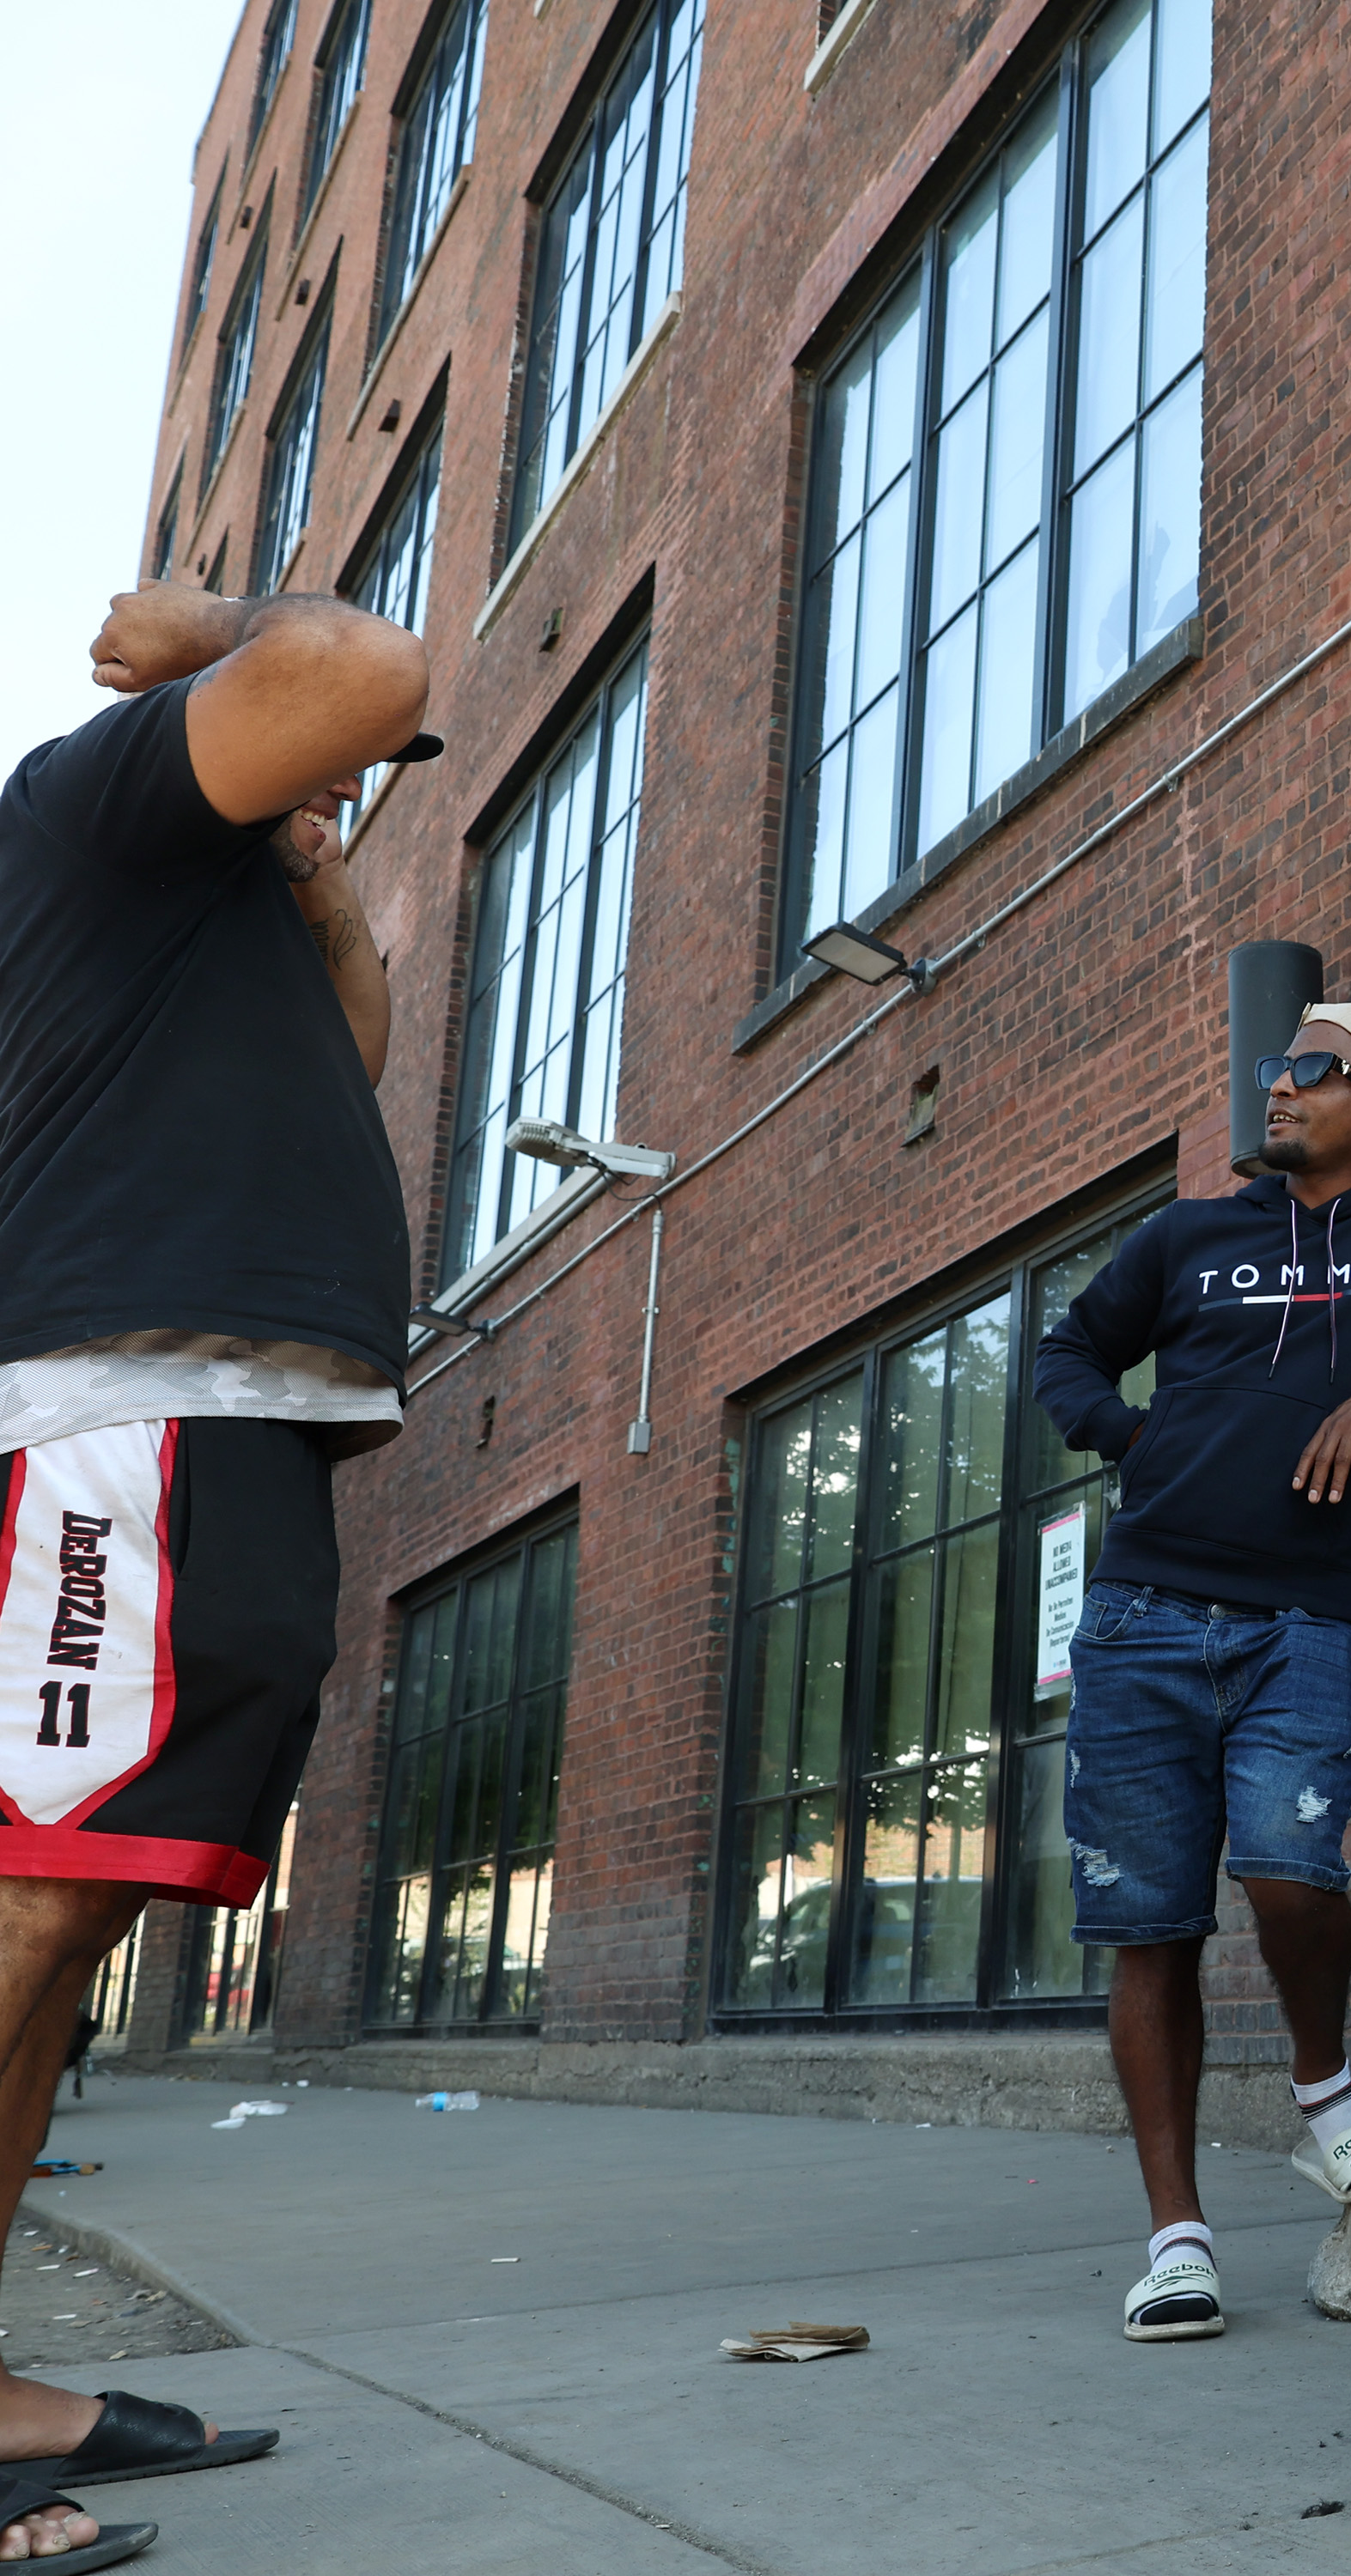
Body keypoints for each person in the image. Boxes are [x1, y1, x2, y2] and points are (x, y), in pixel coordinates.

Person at [0, 582, 435, 2557]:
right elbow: (362, 663)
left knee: (66, 1930)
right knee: (16, 1917)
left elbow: (357, 1051)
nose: (350, 769)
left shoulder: (228, 909)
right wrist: (211, 628)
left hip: (231, 1421)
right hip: (116, 1412)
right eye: (319, 770)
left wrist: (316, 869)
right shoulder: (91, 808)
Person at [1032, 1003, 1351, 2342]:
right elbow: (1068, 1351)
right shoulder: (1190, 1234)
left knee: (1295, 1869)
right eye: (1273, 1066)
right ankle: (1178, 2237)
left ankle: (1323, 2087)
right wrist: (1136, 1441)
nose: (1272, 1086)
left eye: (1309, 1071)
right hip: (1143, 1617)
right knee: (1150, 1926)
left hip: (1310, 1616)